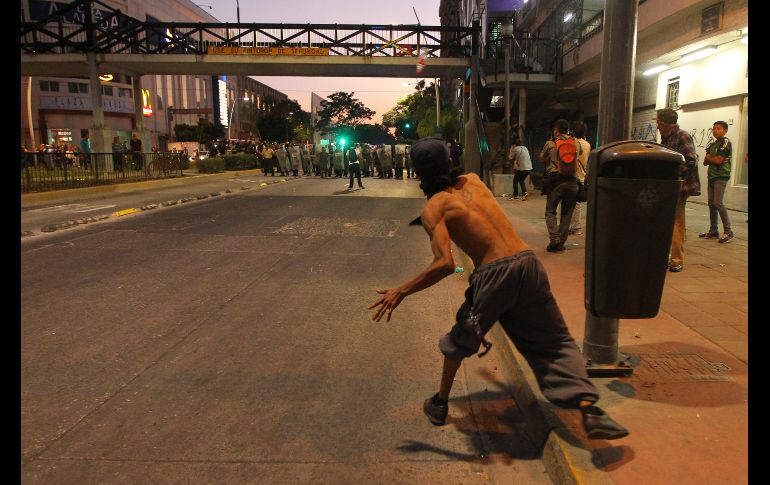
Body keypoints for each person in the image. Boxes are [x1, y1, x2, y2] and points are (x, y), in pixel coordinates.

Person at [368, 136, 628, 441]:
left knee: (460, 338)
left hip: (494, 275)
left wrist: (402, 290)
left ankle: (439, 403)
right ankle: (588, 408)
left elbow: (445, 264)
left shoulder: (433, 209)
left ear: (416, 172)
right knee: (554, 340)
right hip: (528, 264)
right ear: (450, 161)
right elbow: (472, 214)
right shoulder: (474, 180)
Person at [656, 108, 699, 273]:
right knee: (667, 222)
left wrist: (672, 174)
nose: (657, 126)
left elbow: (690, 160)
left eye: (658, 122)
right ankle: (669, 256)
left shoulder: (682, 136)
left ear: (664, 123)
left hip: (679, 187)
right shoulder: (666, 138)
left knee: (676, 222)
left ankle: (677, 260)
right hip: (668, 186)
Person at [541, 119, 583, 252]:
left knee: (550, 211)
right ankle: (561, 242)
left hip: (556, 182)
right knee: (567, 213)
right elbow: (580, 153)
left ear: (556, 130)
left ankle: (554, 239)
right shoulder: (575, 142)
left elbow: (542, 157)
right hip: (572, 181)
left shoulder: (551, 143)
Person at [700, 121, 734, 244]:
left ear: (725, 130)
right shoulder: (713, 144)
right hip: (712, 176)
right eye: (714, 129)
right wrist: (711, 159)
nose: (715, 131)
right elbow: (705, 161)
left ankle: (728, 231)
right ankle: (714, 230)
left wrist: (711, 158)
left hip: (721, 175)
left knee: (718, 203)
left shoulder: (726, 142)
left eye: (718, 129)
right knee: (711, 204)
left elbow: (719, 161)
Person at [568, 121, 590, 235]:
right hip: (582, 175)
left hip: (573, 175)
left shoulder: (573, 143)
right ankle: (574, 226)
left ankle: (574, 227)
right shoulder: (587, 144)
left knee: (569, 202)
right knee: (576, 203)